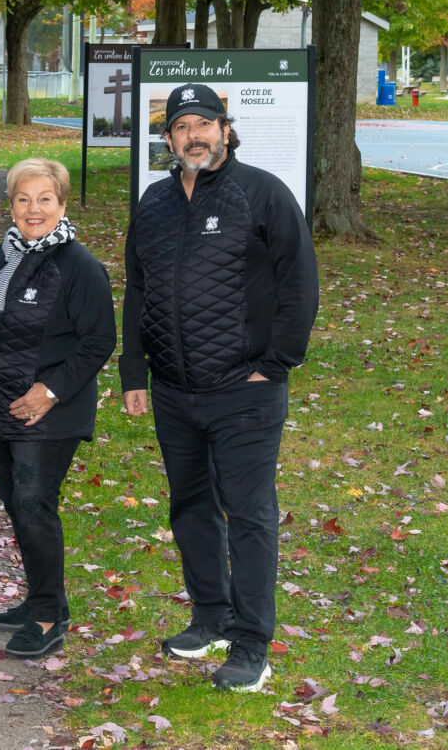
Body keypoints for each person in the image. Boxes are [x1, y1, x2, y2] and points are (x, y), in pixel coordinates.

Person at [120, 83, 318, 693]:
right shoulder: (153, 202)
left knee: (250, 514)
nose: (194, 136)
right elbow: (137, 289)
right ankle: (210, 616)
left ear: (226, 130)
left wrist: (274, 363)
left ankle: (253, 644)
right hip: (176, 391)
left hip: (245, 390)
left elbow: (299, 283)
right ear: (168, 138)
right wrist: (135, 373)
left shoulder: (262, 193)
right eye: (181, 127)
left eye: (205, 123)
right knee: (190, 507)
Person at [0, 158, 116, 659]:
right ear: (11, 205)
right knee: (18, 507)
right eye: (23, 199)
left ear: (62, 204)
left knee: (34, 506)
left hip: (49, 413)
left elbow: (98, 343)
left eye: (44, 199)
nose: (33, 209)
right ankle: (42, 600)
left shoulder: (80, 266)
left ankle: (48, 617)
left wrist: (50, 391)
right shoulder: (0, 255)